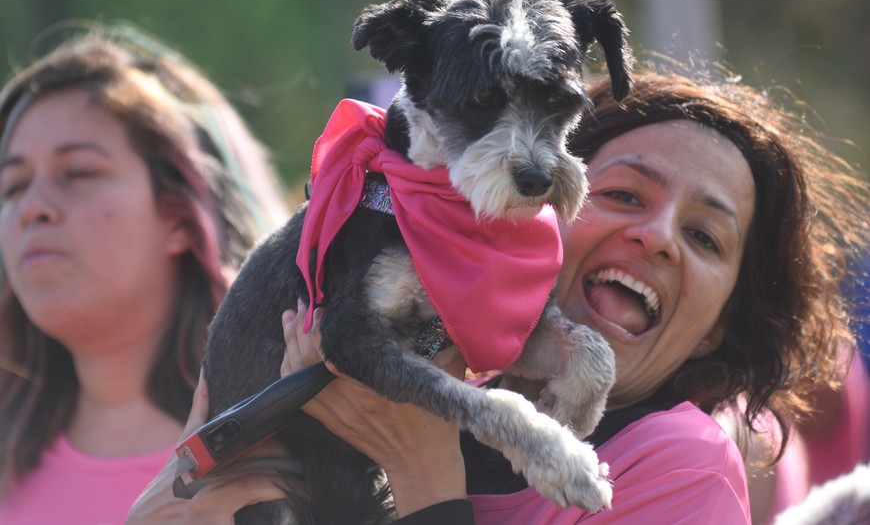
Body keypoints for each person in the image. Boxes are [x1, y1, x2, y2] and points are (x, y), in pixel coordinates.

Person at [129, 63, 869, 524]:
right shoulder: (425, 385)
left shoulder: (680, 465)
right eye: (622, 194)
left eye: (706, 238)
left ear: (718, 328)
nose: (659, 237)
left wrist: (421, 470)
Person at [0, 24, 289, 525]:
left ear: (180, 217)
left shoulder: (294, 448)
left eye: (79, 173)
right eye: (12, 185)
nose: (32, 208)